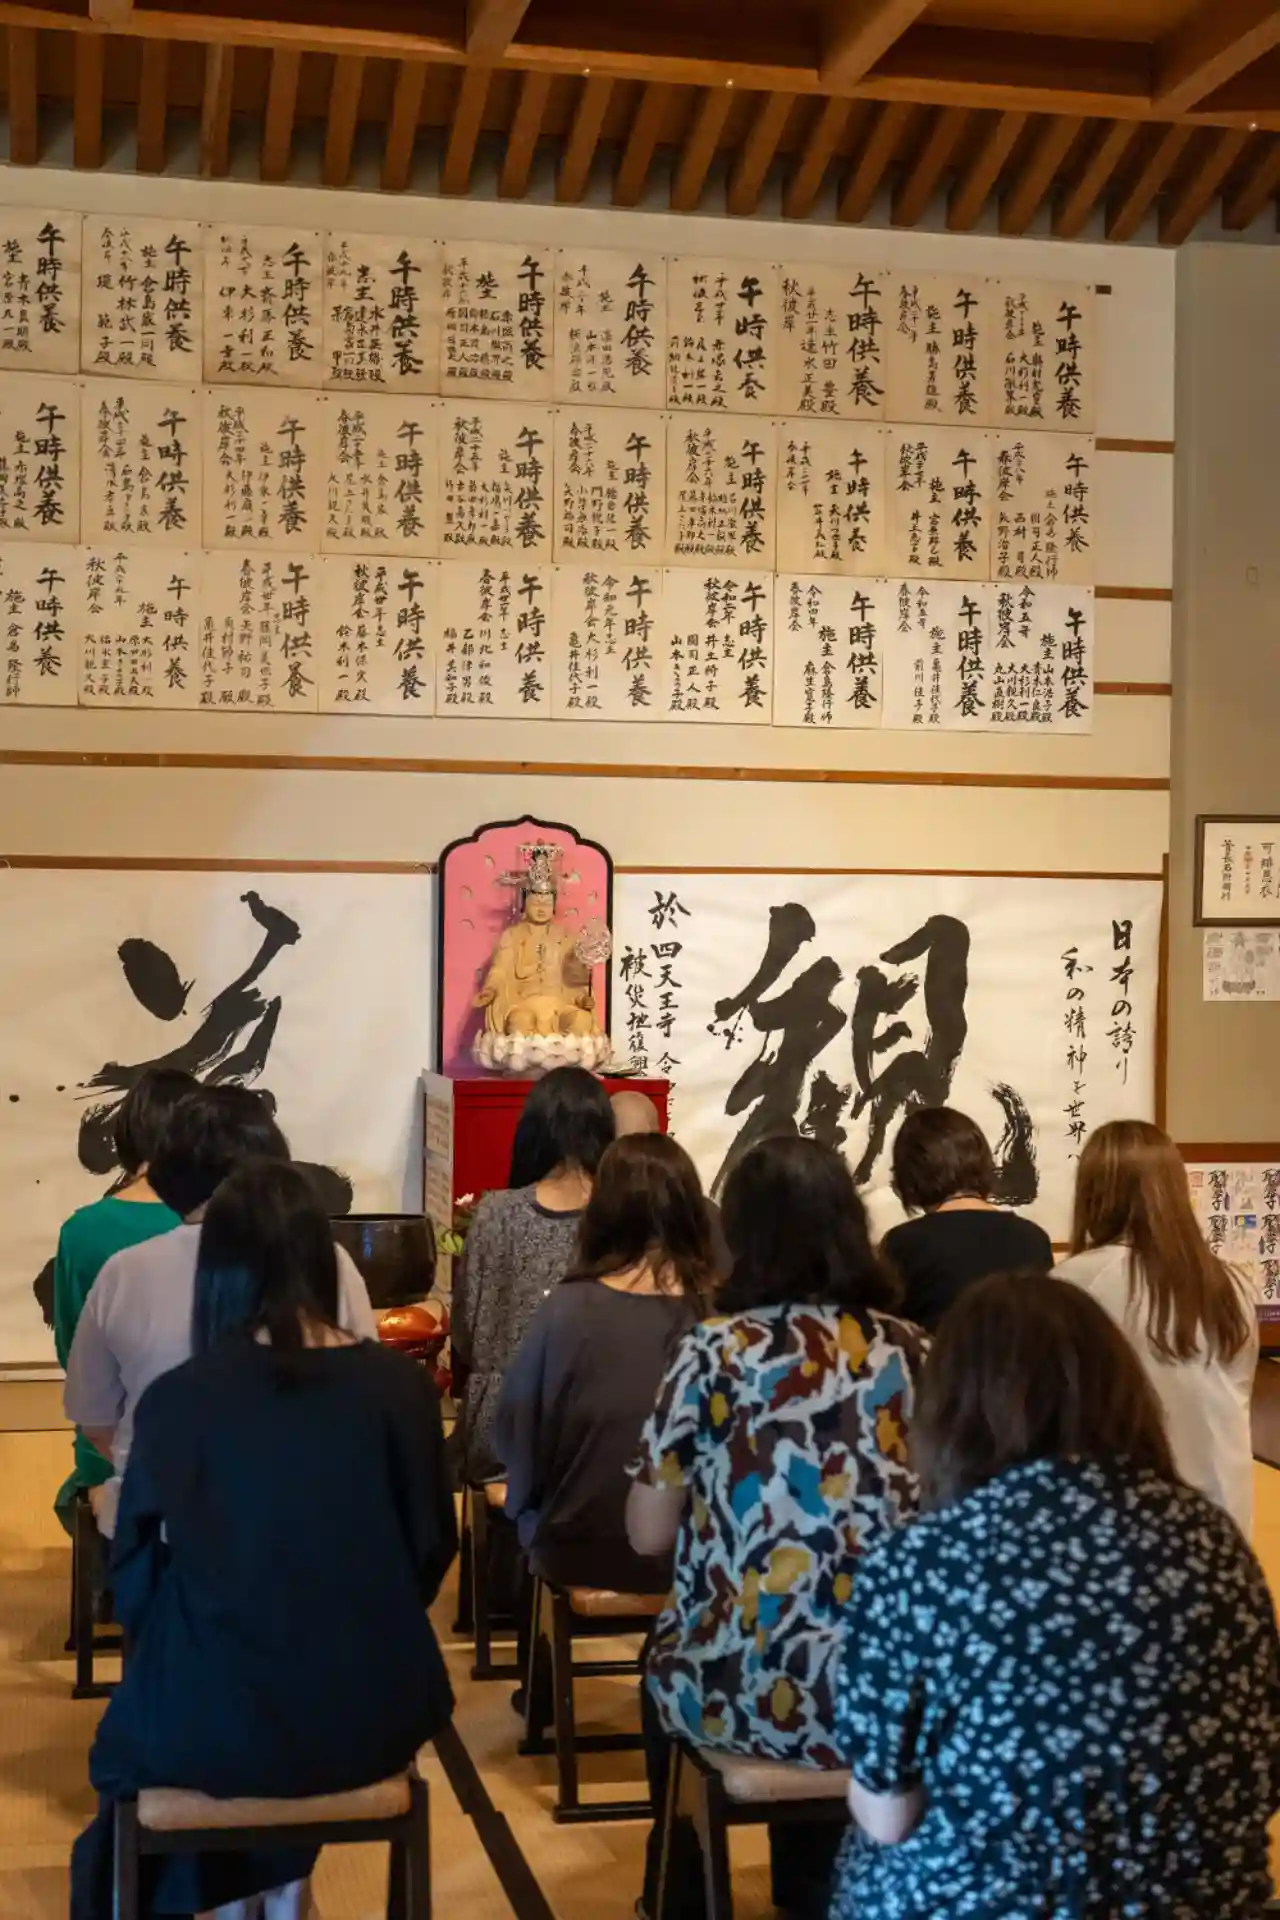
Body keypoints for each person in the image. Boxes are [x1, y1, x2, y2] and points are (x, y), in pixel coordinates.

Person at [71, 1160, 457, 1920]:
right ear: (322, 1257)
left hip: (214, 1710)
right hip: (372, 1711)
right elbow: (430, 1550)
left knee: (140, 1753)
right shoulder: (400, 1388)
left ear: (217, 1272)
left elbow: (135, 1573)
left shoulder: (180, 1399)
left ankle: (246, 1892)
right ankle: (278, 1890)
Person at [829, 1272, 1280, 1920]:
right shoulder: (1214, 1541)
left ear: (950, 1409)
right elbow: (1261, 1770)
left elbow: (887, 1816)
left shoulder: (921, 1562)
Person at [626, 1136, 926, 1920]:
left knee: (664, 1665)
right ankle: (814, 1886)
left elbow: (648, 1534)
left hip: (739, 1685)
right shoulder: (912, 1349)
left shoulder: (712, 1352)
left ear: (741, 1235)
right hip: (894, 1694)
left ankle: (678, 1894)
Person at [64, 1084, 376, 1536]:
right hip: (305, 1529)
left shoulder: (125, 1271)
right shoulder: (331, 1262)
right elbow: (363, 1392)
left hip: (161, 1532)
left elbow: (95, 1420)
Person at [495, 1133, 714, 1593]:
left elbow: (519, 1430)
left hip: (583, 1550)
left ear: (603, 1211)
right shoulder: (719, 1314)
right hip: (700, 1558)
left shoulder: (568, 1309)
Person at [1055, 1118, 1258, 1534]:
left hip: (1124, 1521)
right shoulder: (1229, 1283)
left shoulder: (1076, 1282)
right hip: (1223, 1513)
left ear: (1093, 1194)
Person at [451, 1064, 615, 1484]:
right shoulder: (617, 1216)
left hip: (498, 1431)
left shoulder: (494, 1213)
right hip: (592, 1435)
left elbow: (465, 1334)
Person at [51, 1067, 195, 1532]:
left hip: (111, 1448)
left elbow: (72, 1352)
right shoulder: (225, 1225)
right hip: (213, 1446)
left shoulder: (83, 1230)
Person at [878, 1106, 1053, 1331]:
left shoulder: (902, 1244)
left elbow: (890, 1335)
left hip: (941, 1354)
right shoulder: (1034, 1238)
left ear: (909, 1176)